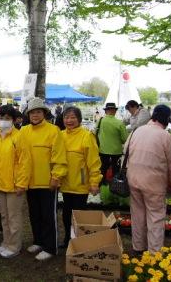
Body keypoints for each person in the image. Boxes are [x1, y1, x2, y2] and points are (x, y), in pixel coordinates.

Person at [19, 97, 67, 261]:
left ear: (44, 113)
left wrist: (56, 177)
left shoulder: (53, 131)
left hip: (48, 182)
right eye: (32, 112)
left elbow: (59, 156)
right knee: (34, 214)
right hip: (30, 182)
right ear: (28, 114)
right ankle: (38, 241)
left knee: (48, 216)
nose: (35, 115)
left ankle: (50, 247)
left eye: (38, 112)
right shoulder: (23, 131)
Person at [126, 104, 171, 254]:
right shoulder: (166, 136)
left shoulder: (137, 130)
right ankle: (154, 252)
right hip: (154, 182)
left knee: (137, 214)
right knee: (155, 216)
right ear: (167, 119)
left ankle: (138, 247)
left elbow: (125, 151)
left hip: (133, 178)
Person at [0, 105, 31, 258]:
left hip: (14, 185)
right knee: (4, 216)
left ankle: (14, 246)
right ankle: (6, 242)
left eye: (7, 118)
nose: (3, 121)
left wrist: (21, 183)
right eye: (1, 118)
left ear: (14, 120)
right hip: (0, 184)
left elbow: (25, 162)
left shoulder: (18, 137)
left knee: (13, 217)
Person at [59, 106, 102, 248]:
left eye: (72, 117)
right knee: (66, 214)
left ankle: (78, 241)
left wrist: (94, 181)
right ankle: (67, 239)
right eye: (66, 117)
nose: (69, 120)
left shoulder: (86, 136)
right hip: (65, 184)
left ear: (79, 119)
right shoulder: (60, 135)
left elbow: (94, 162)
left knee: (79, 215)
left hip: (80, 185)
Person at [96, 103, 128, 185]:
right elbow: (125, 139)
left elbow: (95, 132)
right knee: (115, 170)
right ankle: (115, 186)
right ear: (115, 111)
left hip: (102, 149)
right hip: (116, 151)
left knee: (103, 168)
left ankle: (101, 185)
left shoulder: (100, 121)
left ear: (106, 111)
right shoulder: (119, 123)